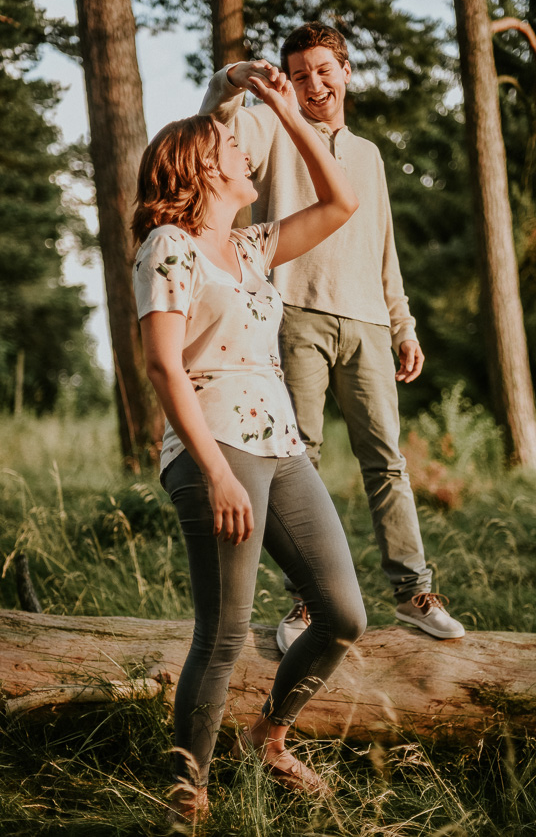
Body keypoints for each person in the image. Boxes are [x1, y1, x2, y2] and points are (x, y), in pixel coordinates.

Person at [131, 74, 366, 822]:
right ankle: (187, 786)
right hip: (214, 444)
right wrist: (213, 474)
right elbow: (164, 364)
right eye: (232, 143)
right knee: (225, 630)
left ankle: (268, 736)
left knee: (342, 614)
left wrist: (293, 115)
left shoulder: (253, 245)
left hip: (280, 442)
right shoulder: (167, 247)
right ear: (203, 168)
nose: (244, 150)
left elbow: (341, 203)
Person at [200, 21, 465, 650]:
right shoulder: (268, 128)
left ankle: (413, 592)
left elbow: (384, 248)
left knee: (387, 462)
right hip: (295, 313)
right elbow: (210, 136)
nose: (313, 84)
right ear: (287, 82)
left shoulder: (370, 155)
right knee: (302, 460)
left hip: (369, 321)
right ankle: (308, 604)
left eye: (323, 70)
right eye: (299, 75)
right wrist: (235, 79)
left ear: (345, 72)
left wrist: (403, 324)